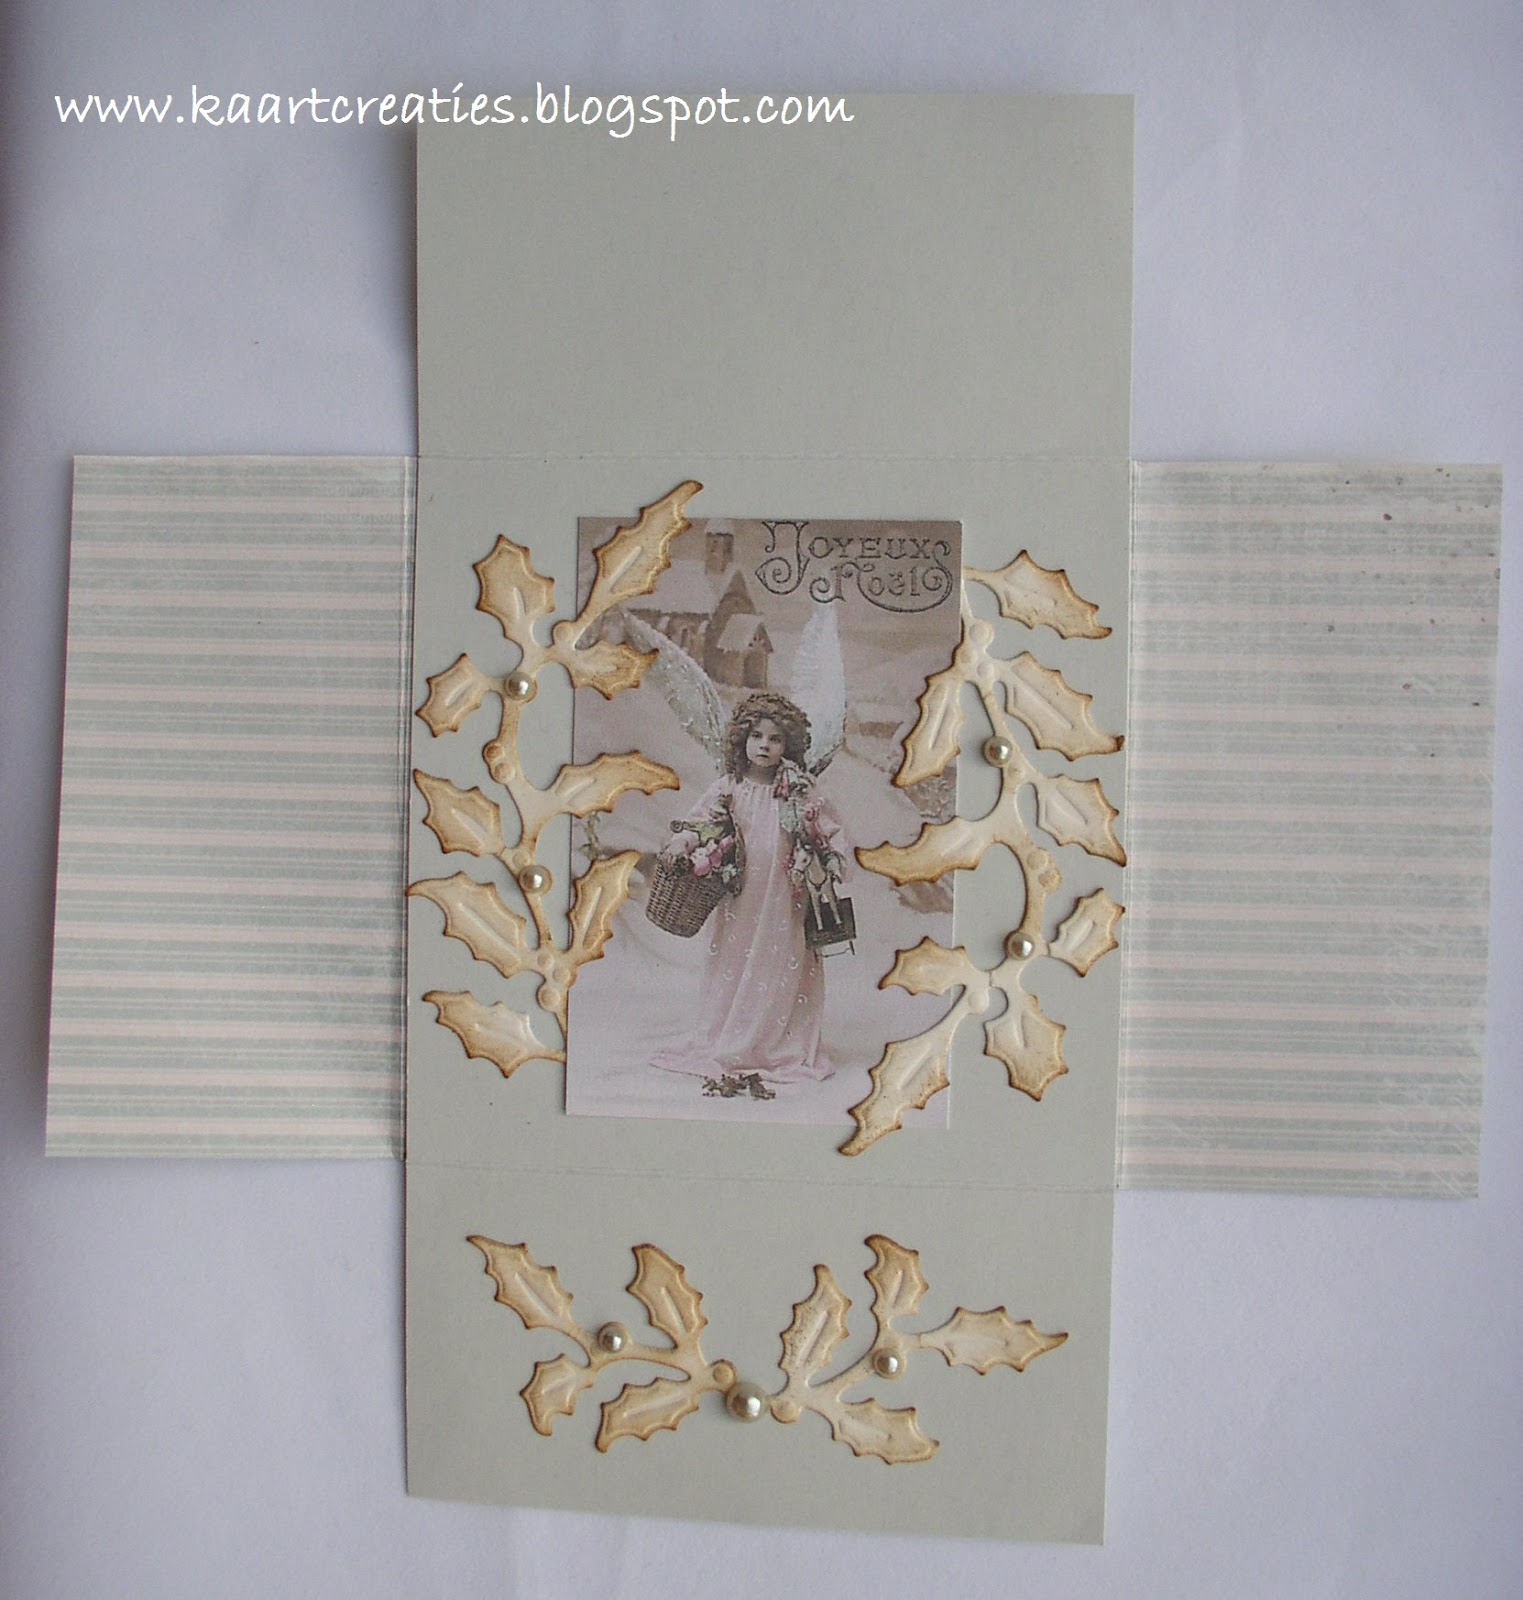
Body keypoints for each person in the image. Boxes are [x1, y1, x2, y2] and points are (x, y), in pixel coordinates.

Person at [651, 691, 848, 1086]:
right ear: (742, 738)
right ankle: (732, 1036)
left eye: (775, 739)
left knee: (782, 961)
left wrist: (830, 861)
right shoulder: (729, 788)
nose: (764, 745)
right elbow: (700, 824)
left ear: (788, 745)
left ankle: (775, 1041)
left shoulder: (799, 790)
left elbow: (829, 829)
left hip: (785, 896)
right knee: (735, 959)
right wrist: (682, 843)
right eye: (756, 736)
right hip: (741, 894)